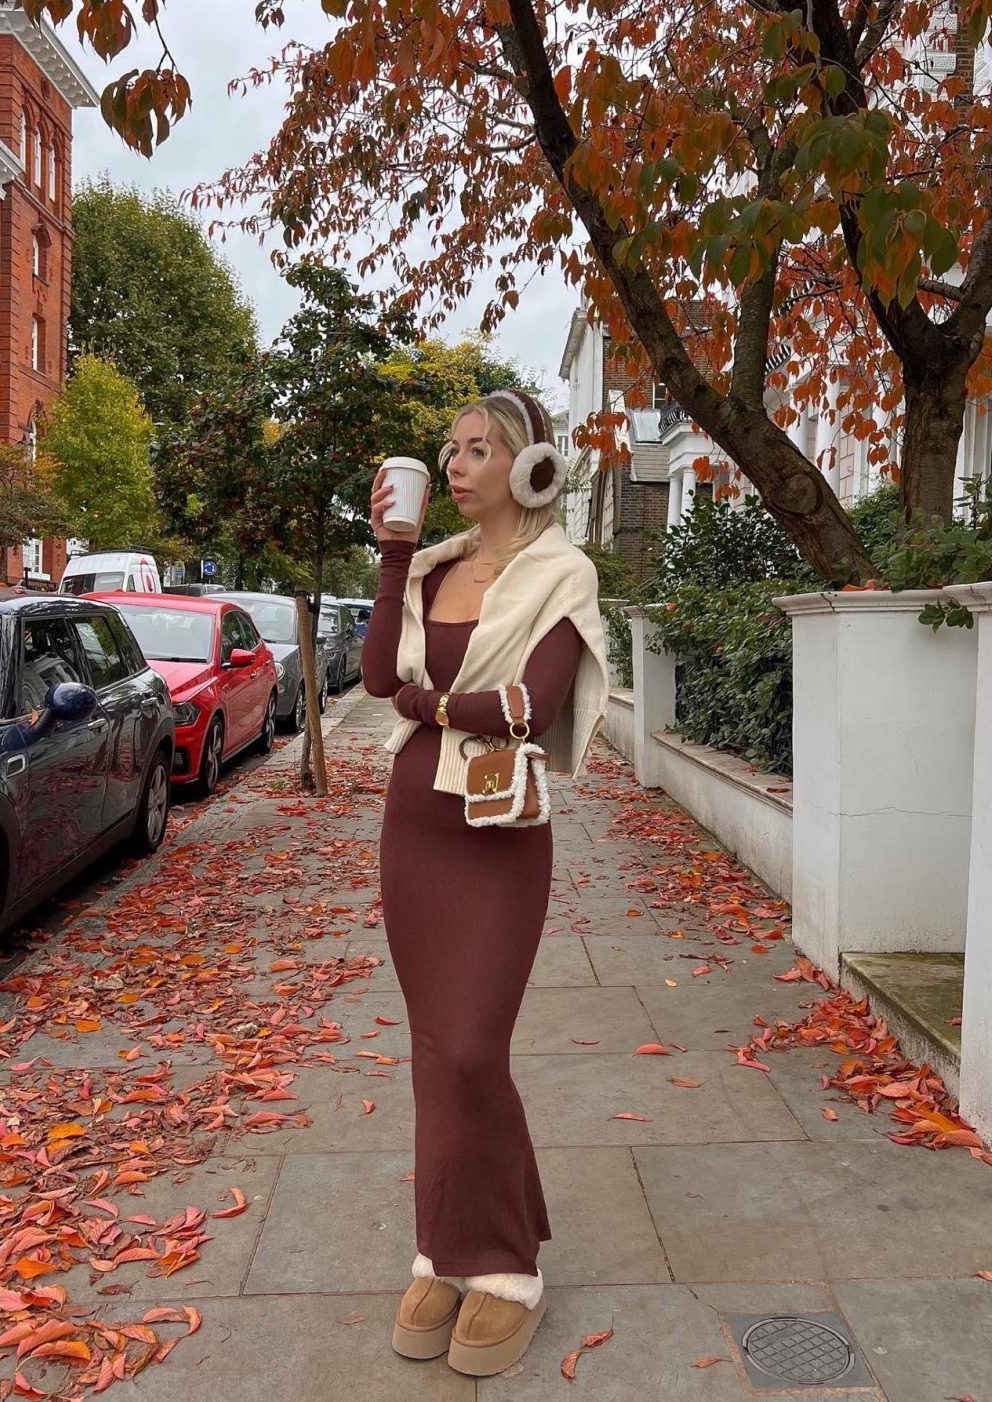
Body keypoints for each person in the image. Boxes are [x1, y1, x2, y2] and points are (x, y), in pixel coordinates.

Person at [361, 389, 610, 1377]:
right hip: (414, 825)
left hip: (500, 829)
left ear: (528, 466)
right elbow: (379, 675)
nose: (457, 464)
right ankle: (441, 1249)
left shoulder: (561, 572)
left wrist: (432, 702)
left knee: (474, 1047)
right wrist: (389, 554)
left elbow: (529, 705)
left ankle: (507, 1262)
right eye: (449, 449)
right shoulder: (427, 568)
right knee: (433, 1048)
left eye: (478, 448)